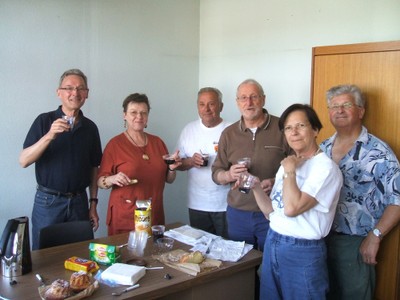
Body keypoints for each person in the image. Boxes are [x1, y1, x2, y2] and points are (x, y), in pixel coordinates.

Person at [249, 104, 343, 299]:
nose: (294, 132)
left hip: (302, 251)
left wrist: (290, 169)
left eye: (300, 125)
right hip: (273, 240)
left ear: (315, 130)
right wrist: (255, 186)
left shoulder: (325, 169)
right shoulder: (288, 164)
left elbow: (292, 209)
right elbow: (271, 212)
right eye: (288, 128)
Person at [320, 84, 400, 299]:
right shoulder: (322, 149)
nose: (339, 110)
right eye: (334, 106)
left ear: (361, 111)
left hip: (355, 244)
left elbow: (397, 200)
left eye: (346, 105)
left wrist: (375, 237)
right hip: (320, 240)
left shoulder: (379, 152)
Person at [19, 69, 102, 250]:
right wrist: (50, 135)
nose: (75, 93)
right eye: (69, 88)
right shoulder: (44, 121)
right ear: (59, 93)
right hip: (48, 201)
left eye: (81, 89)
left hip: (80, 201)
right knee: (44, 257)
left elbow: (94, 168)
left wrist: (93, 204)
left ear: (86, 94)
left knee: (80, 254)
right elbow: (23, 160)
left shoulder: (90, 128)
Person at [211, 79, 291, 251]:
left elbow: (299, 166)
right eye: (243, 98)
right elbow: (216, 172)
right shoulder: (229, 134)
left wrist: (276, 181)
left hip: (273, 213)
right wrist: (228, 175)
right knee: (241, 268)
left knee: (270, 265)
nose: (249, 103)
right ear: (237, 102)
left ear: (263, 99)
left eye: (254, 97)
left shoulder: (283, 128)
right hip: (238, 213)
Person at [97, 93, 181, 235]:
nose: (139, 117)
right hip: (125, 216)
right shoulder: (115, 145)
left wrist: (172, 168)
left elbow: (169, 179)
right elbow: (99, 182)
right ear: (125, 115)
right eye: (133, 112)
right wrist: (112, 179)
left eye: (143, 113)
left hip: (154, 214)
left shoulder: (158, 143)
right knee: (125, 256)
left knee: (153, 255)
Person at [175, 87, 231, 237]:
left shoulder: (232, 130)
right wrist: (192, 162)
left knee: (227, 250)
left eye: (211, 104)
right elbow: (178, 164)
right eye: (202, 104)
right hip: (197, 204)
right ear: (197, 107)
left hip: (226, 205)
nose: (206, 109)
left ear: (221, 106)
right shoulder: (188, 130)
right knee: (201, 250)